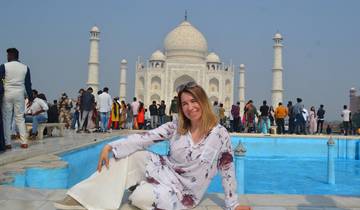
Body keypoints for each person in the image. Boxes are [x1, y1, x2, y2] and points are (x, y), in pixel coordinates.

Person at [54, 82, 251, 210]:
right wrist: (111, 147)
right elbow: (146, 138)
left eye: (194, 101)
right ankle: (82, 199)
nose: (190, 107)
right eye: (184, 104)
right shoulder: (176, 126)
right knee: (130, 156)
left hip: (184, 192)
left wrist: (233, 204)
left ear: (203, 101)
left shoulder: (219, 134)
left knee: (140, 198)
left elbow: (227, 168)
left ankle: (140, 186)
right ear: (180, 107)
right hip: (163, 170)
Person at [0, 48, 33, 149]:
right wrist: (30, 98)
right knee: (20, 118)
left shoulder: (4, 66)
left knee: (7, 118)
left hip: (7, 94)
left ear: (11, 55)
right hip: (19, 94)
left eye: (8, 55)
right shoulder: (25, 67)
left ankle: (7, 143)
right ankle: (24, 142)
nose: (7, 57)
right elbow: (28, 85)